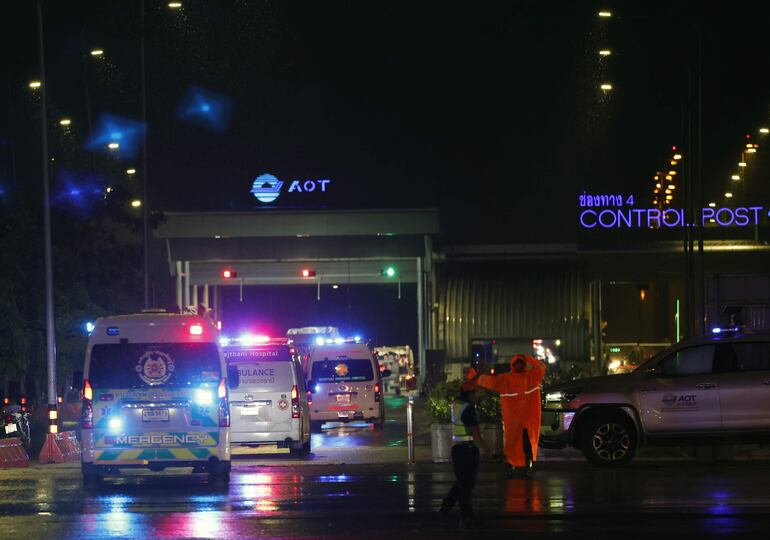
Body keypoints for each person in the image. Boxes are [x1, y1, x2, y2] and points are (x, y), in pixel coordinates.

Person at [476, 354, 546, 477]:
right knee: (513, 444)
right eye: (516, 363)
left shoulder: (532, 376)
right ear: (513, 365)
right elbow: (490, 381)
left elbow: (541, 366)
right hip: (514, 421)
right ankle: (514, 466)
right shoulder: (506, 379)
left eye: (521, 363)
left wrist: (529, 358)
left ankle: (525, 467)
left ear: (524, 365)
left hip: (528, 421)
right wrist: (477, 378)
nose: (519, 365)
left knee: (527, 445)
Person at [440, 377, 491, 527]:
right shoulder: (468, 408)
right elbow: (475, 432)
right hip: (467, 450)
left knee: (462, 483)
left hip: (457, 449)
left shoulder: (456, 404)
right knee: (466, 485)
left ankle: (447, 507)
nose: (477, 397)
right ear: (469, 394)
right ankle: (466, 514)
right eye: (475, 394)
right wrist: (486, 449)